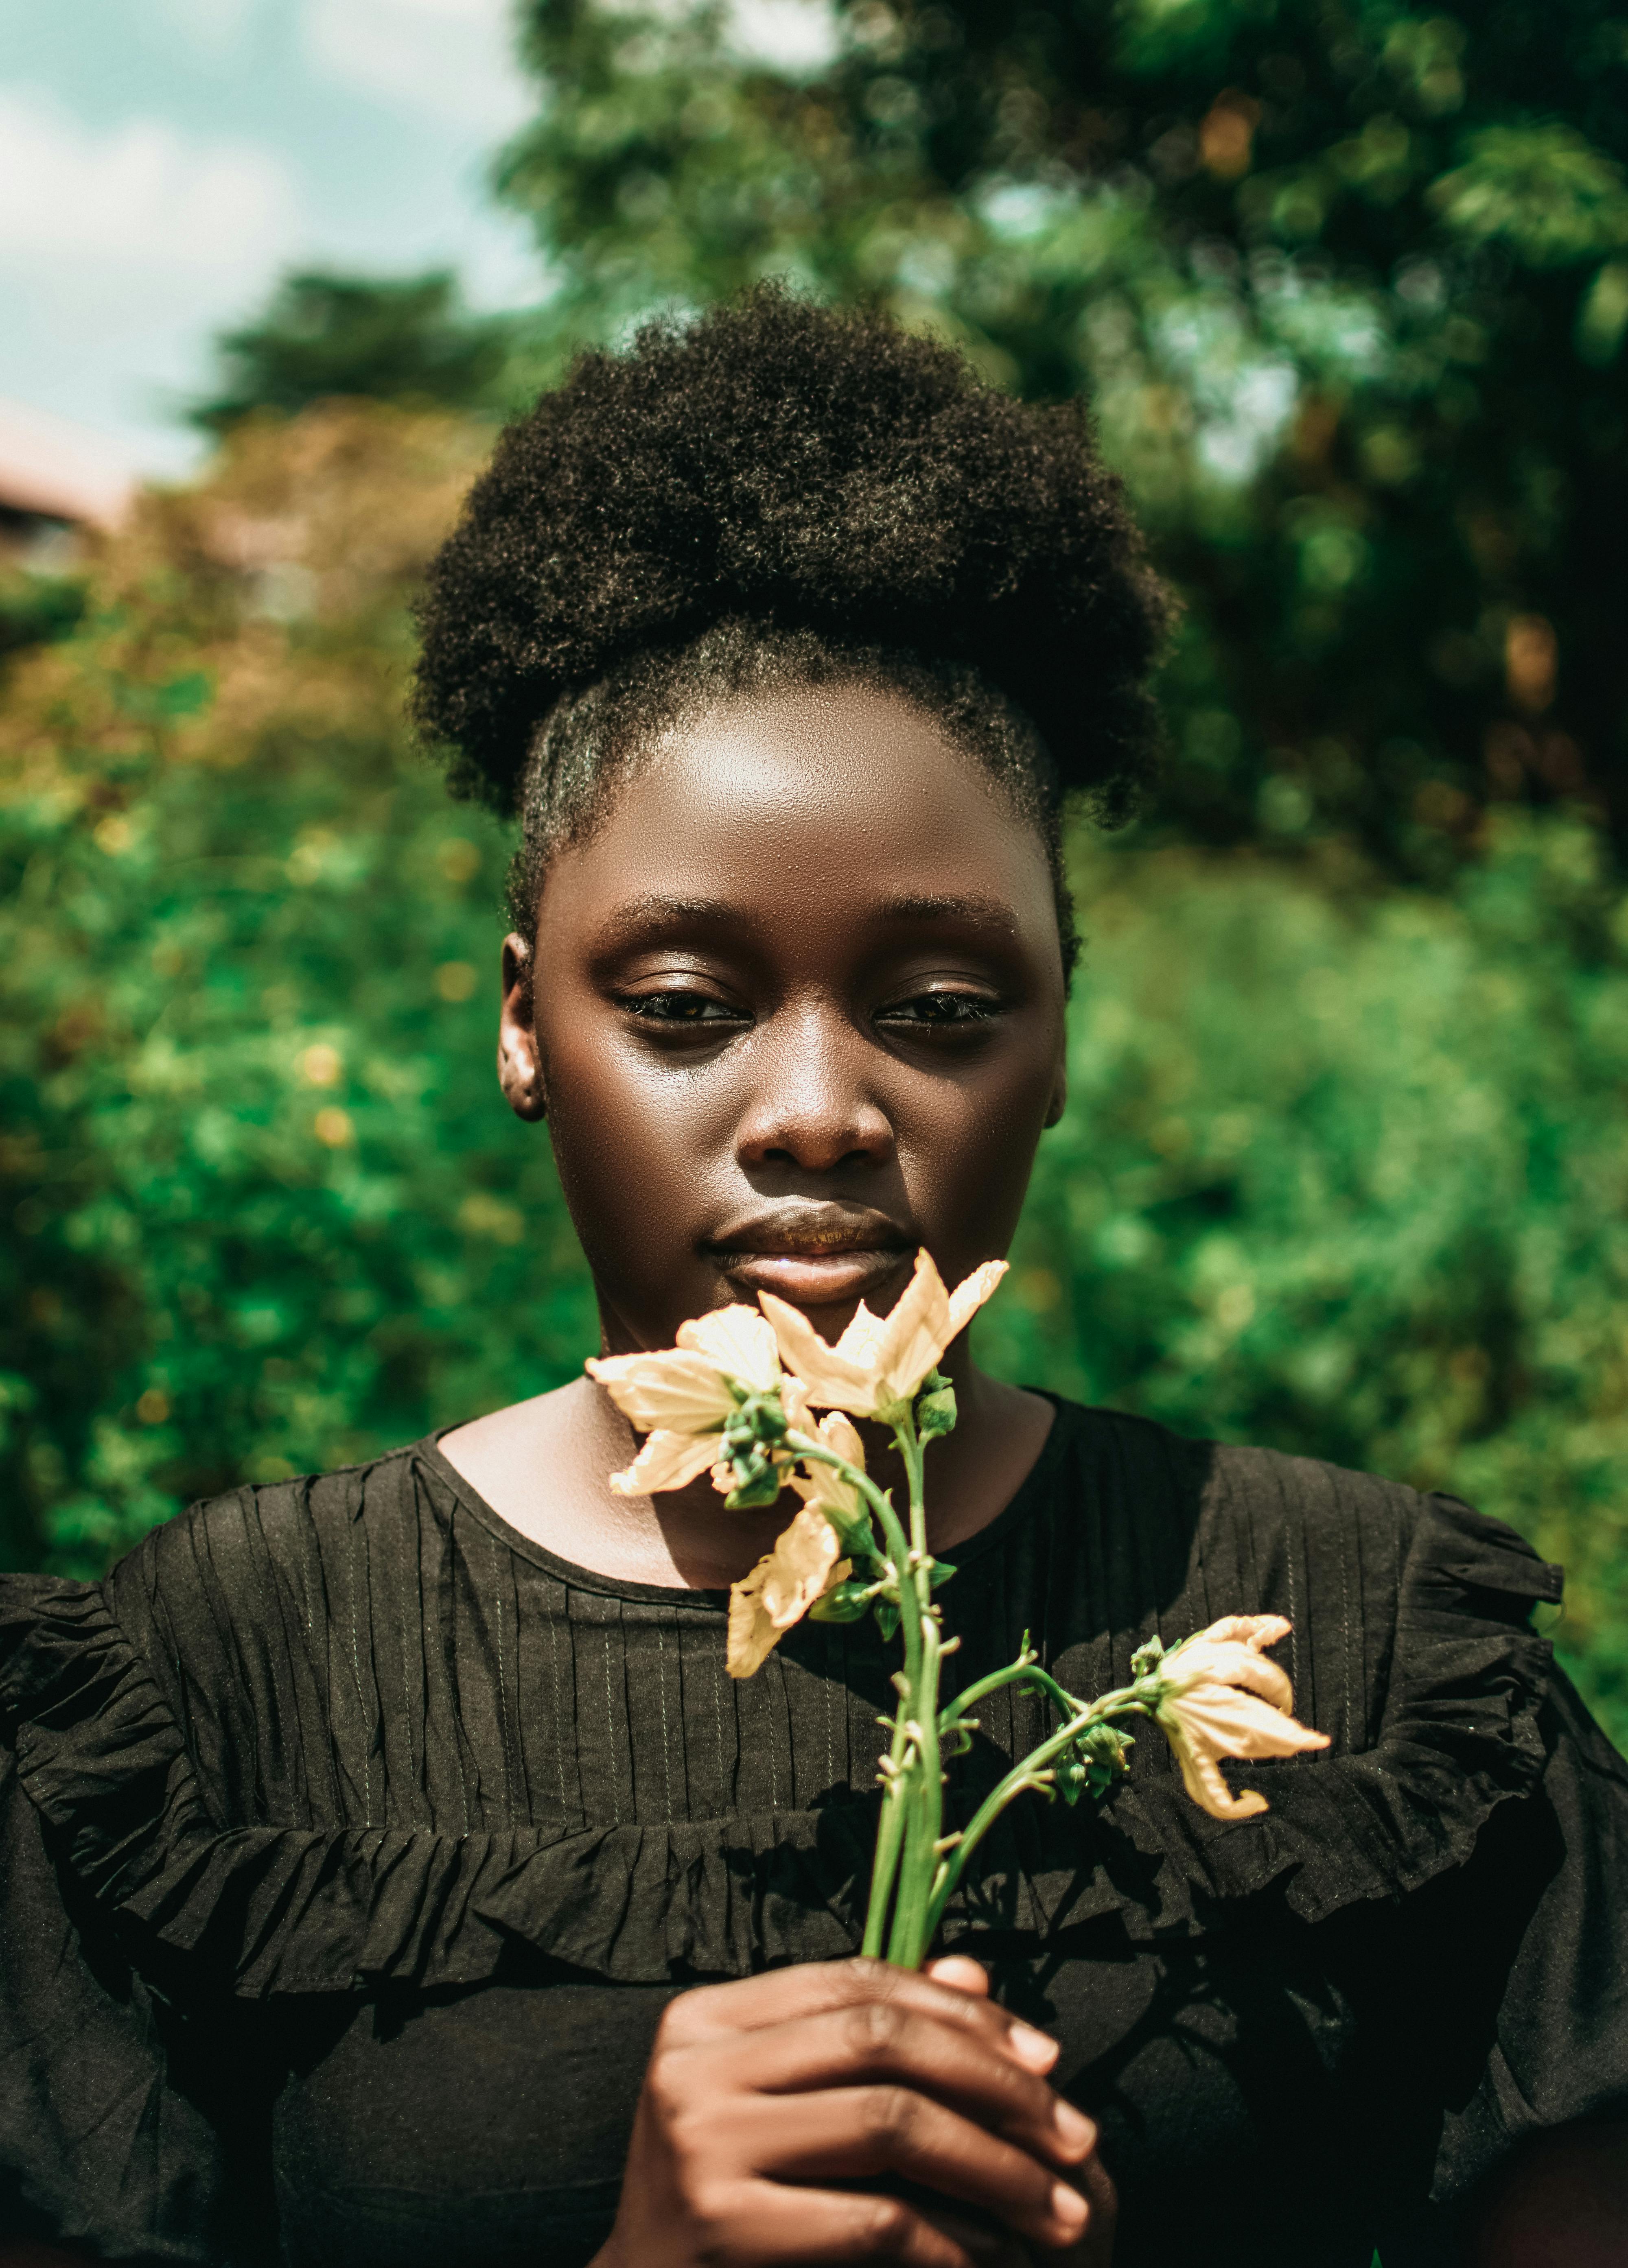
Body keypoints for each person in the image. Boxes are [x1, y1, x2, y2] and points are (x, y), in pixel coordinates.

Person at [2, 288, 1626, 2268]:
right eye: (683, 1004)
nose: (818, 1110)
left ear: (1058, 1033)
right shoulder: (208, 1700)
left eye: (938, 1006)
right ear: (522, 1024)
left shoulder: (1380, 1670)